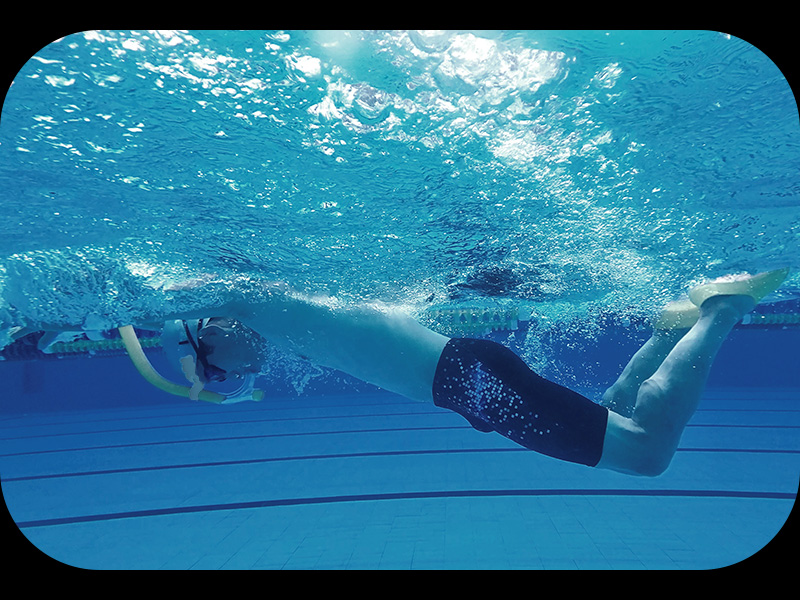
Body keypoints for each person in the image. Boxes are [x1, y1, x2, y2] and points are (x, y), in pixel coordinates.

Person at [157, 268, 789, 477]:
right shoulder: (275, 317)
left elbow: (195, 295)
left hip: (471, 382)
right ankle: (669, 329)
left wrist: (136, 313)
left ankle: (723, 308)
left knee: (647, 453)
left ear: (207, 334)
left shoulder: (247, 305)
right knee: (619, 419)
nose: (229, 376)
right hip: (469, 386)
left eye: (214, 371)